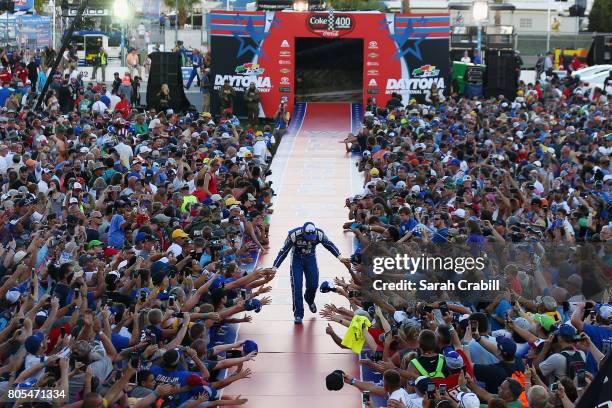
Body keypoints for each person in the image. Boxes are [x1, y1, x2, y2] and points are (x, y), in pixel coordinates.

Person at [272, 222, 349, 324]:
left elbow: (329, 245)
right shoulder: (294, 235)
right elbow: (283, 251)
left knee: (313, 285)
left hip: (310, 259)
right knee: (297, 286)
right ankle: (298, 314)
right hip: (296, 260)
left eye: (311, 237)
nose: (310, 239)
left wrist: (340, 257)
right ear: (303, 232)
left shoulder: (319, 234)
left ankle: (309, 300)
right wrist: (274, 268)